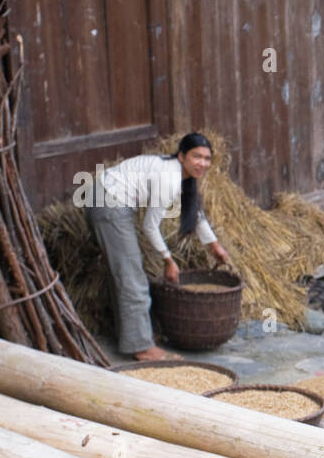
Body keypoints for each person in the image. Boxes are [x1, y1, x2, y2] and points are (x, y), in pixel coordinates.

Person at [86, 133, 230, 361]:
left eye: (207, 158)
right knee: (132, 276)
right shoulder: (169, 178)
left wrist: (214, 245)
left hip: (108, 199)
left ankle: (135, 335)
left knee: (125, 273)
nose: (203, 163)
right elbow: (150, 226)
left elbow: (196, 213)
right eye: (197, 156)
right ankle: (142, 347)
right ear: (182, 156)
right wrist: (168, 260)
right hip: (109, 203)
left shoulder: (181, 173)